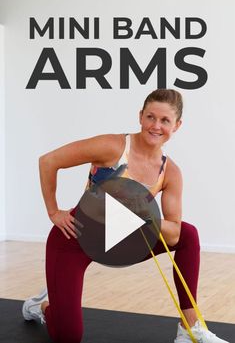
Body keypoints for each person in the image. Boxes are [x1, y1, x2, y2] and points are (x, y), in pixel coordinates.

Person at [22, 89, 229, 343]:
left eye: (165, 120)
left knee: (189, 234)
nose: (156, 126)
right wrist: (54, 211)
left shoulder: (171, 172)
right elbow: (48, 161)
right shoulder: (113, 147)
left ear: (177, 125)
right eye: (150, 117)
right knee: (68, 336)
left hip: (125, 240)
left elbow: (174, 232)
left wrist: (143, 214)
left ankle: (189, 327)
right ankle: (42, 307)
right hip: (77, 238)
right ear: (140, 116)